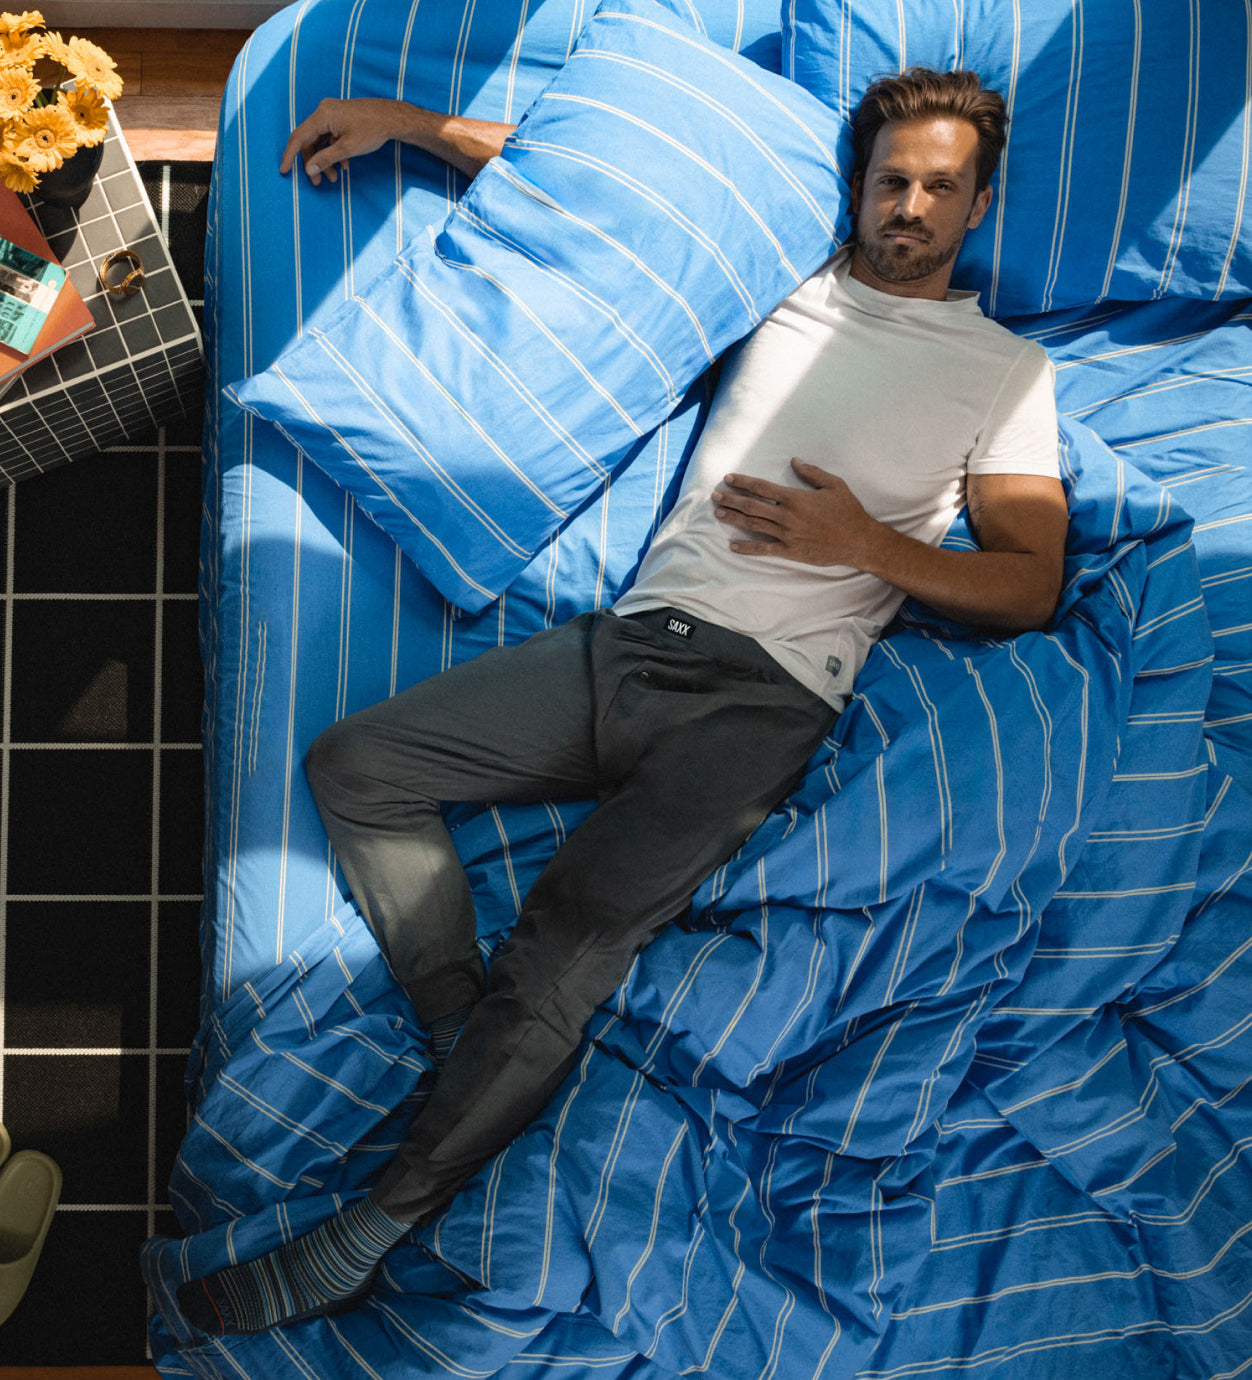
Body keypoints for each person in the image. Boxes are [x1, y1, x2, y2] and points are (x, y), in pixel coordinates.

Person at [178, 67, 1068, 1336]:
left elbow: (1027, 584)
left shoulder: (1004, 370)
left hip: (758, 703)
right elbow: (610, 215)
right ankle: (458, 1028)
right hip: (628, 644)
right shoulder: (788, 284)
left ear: (977, 204)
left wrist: (860, 540)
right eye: (890, 181)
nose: (908, 208)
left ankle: (366, 1231)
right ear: (859, 187)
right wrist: (415, 130)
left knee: (567, 942)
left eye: (938, 187)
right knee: (358, 764)